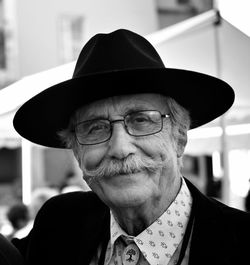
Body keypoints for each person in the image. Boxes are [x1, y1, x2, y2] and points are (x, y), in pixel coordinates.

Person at [12, 29, 250, 265]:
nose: (120, 148)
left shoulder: (243, 242)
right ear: (76, 151)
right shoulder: (60, 225)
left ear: (179, 138)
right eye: (95, 128)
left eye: (141, 120)